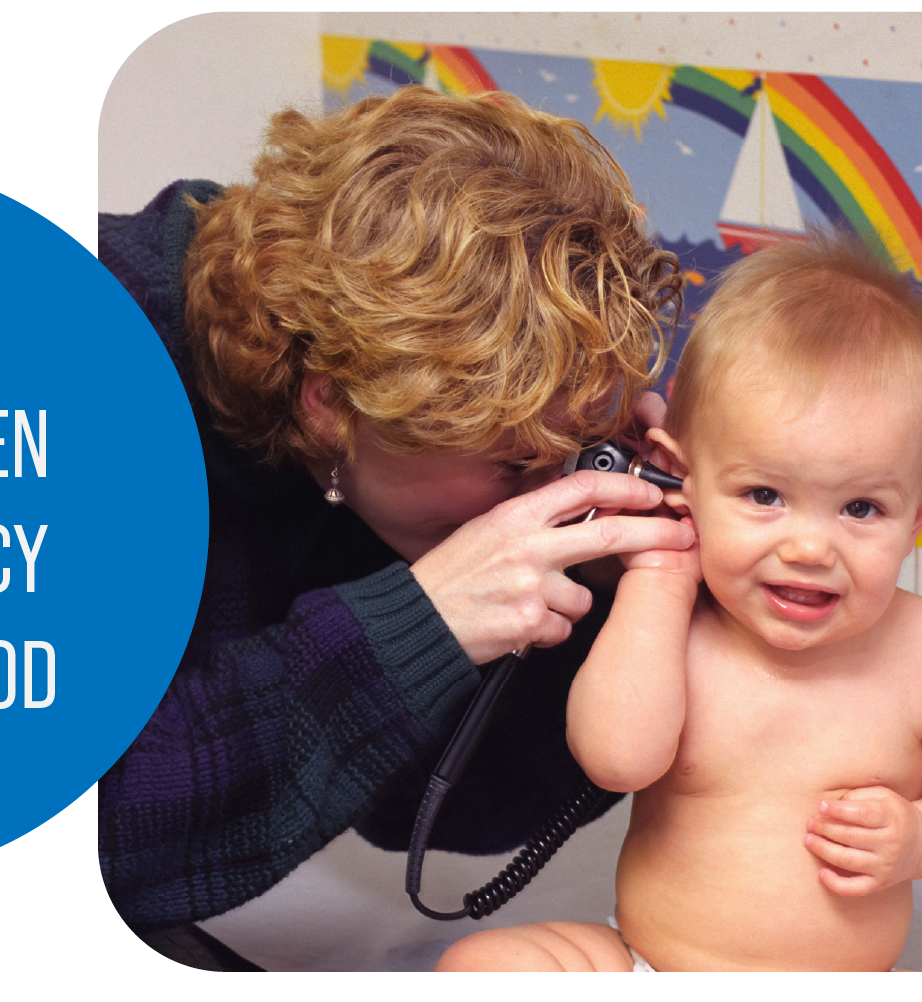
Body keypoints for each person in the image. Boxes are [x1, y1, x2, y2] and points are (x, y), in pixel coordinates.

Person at [96, 86, 695, 967]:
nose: (542, 494)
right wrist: (421, 624)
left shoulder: (364, 430)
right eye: (516, 463)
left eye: (571, 447)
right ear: (329, 404)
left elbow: (438, 805)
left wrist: (620, 599)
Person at [436, 236, 922, 972]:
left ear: (921, 511)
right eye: (763, 495)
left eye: (860, 508)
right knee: (484, 966)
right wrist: (658, 571)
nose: (811, 548)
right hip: (651, 964)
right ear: (679, 480)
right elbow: (617, 760)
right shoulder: (674, 623)